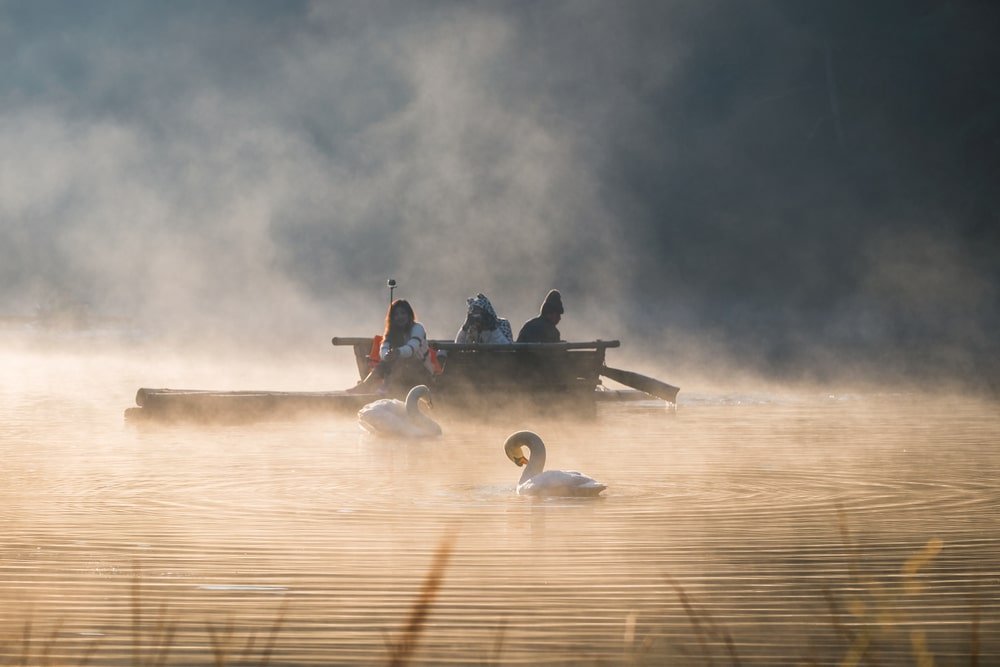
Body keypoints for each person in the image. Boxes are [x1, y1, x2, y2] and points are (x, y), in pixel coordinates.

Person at [352, 299, 434, 394]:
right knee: (385, 362)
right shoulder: (392, 332)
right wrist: (387, 355)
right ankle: (366, 386)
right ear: (392, 318)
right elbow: (384, 347)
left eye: (403, 313)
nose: (400, 317)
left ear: (409, 314)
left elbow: (412, 348)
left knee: (402, 360)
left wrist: (397, 352)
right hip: (401, 375)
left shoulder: (418, 328)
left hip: (422, 374)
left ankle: (387, 388)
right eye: (396, 315)